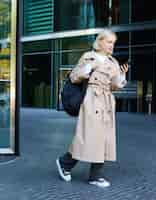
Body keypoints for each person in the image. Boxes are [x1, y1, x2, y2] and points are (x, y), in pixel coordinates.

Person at [56, 29, 129, 188]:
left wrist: (122, 76)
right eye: (109, 42)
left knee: (103, 139)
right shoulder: (88, 56)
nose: (111, 46)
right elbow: (75, 76)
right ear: (100, 41)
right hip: (91, 101)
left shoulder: (113, 62)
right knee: (87, 137)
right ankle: (65, 163)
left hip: (106, 103)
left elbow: (114, 86)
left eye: (113, 43)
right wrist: (89, 68)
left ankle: (95, 176)